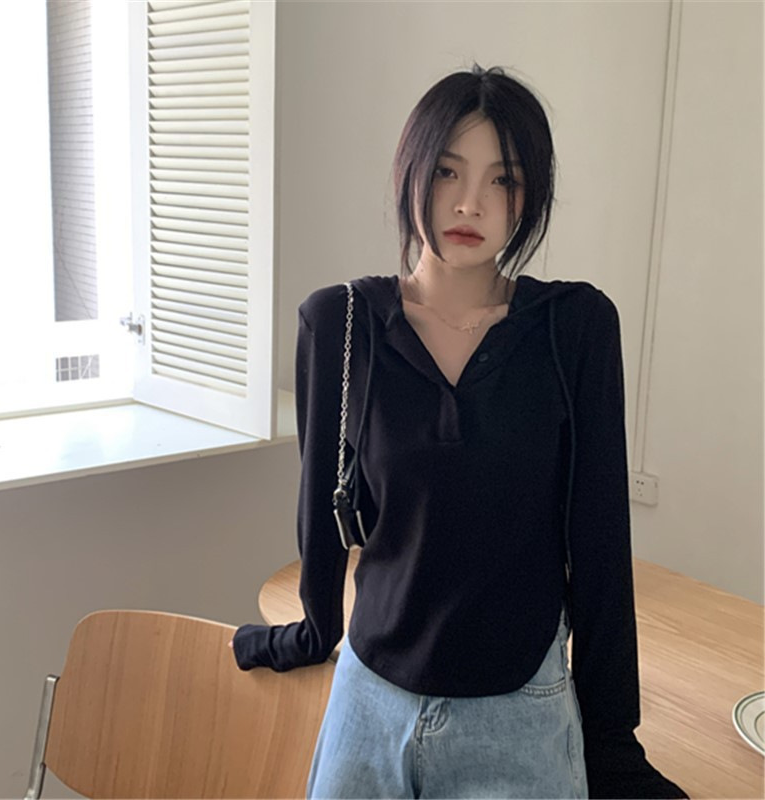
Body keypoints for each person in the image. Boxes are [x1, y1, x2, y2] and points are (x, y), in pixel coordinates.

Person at [231, 64, 689, 800]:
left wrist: (611, 742)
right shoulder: (339, 323)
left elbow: (600, 542)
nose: (470, 202)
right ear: (410, 171)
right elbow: (322, 511)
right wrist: (313, 634)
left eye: (503, 180)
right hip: (368, 703)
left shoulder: (573, 329)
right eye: (447, 171)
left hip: (518, 711)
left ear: (530, 198)